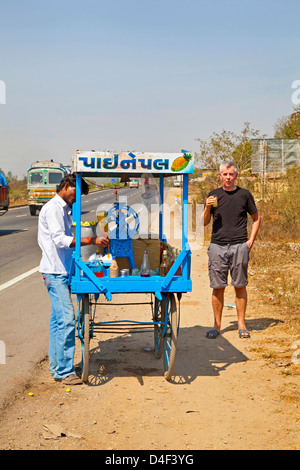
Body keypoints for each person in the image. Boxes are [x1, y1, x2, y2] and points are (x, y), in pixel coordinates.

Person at [38, 173, 109, 384]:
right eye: (75, 193)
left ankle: (56, 365)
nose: (76, 198)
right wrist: (90, 239)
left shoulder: (64, 209)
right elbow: (60, 240)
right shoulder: (53, 209)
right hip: (54, 271)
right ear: (67, 186)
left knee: (57, 321)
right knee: (68, 320)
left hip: (62, 270)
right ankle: (64, 371)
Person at [202, 160, 260, 339]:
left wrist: (250, 241)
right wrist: (207, 207)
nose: (228, 177)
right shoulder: (214, 195)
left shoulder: (244, 194)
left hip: (239, 246)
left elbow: (256, 218)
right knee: (218, 287)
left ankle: (242, 325)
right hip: (217, 246)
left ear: (236, 175)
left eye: (231, 174)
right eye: (225, 174)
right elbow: (204, 222)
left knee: (240, 285)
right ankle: (216, 326)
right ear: (220, 176)